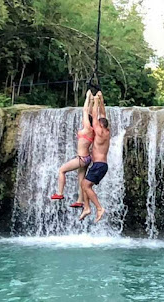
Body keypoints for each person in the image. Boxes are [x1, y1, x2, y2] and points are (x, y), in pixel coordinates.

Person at [51, 90, 94, 208]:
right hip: (87, 159)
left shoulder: (87, 129)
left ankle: (59, 193)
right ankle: (80, 201)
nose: (82, 120)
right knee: (81, 179)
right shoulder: (92, 131)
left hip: (81, 158)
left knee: (62, 170)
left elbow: (85, 111)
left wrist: (87, 97)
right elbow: (90, 113)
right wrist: (91, 101)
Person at [80, 91, 110, 223]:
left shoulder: (98, 130)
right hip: (101, 165)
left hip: (98, 165)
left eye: (98, 122)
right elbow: (103, 114)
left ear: (100, 125)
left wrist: (95, 100)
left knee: (86, 185)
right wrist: (101, 99)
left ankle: (99, 208)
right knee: (84, 184)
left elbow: (94, 114)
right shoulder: (107, 131)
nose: (96, 122)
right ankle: (87, 208)